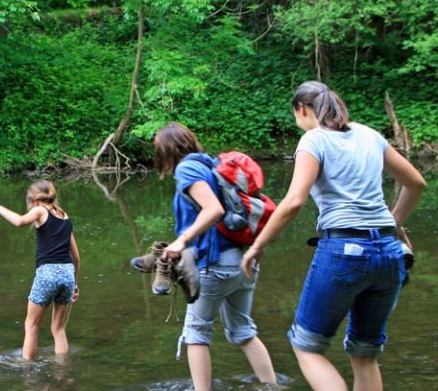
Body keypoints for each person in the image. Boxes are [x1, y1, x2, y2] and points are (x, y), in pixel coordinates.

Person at [241, 81, 426, 391]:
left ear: (302, 109)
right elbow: (416, 183)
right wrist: (392, 223)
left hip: (344, 250)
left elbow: (294, 201)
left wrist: (257, 245)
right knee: (364, 354)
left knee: (307, 346)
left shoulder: (314, 139)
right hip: (390, 253)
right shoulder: (370, 136)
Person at [152, 122, 277, 390]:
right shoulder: (211, 166)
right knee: (243, 331)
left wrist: (181, 240)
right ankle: (272, 386)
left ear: (166, 150)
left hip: (215, 263)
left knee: (196, 334)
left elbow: (214, 210)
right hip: (243, 262)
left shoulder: (186, 169)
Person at [0, 180, 81, 360]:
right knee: (58, 327)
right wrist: (75, 283)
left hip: (47, 272)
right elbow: (76, 257)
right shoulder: (65, 216)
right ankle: (64, 368)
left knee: (31, 324)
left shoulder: (40, 210)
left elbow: (19, 221)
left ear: (34, 200)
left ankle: (28, 370)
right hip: (67, 273)